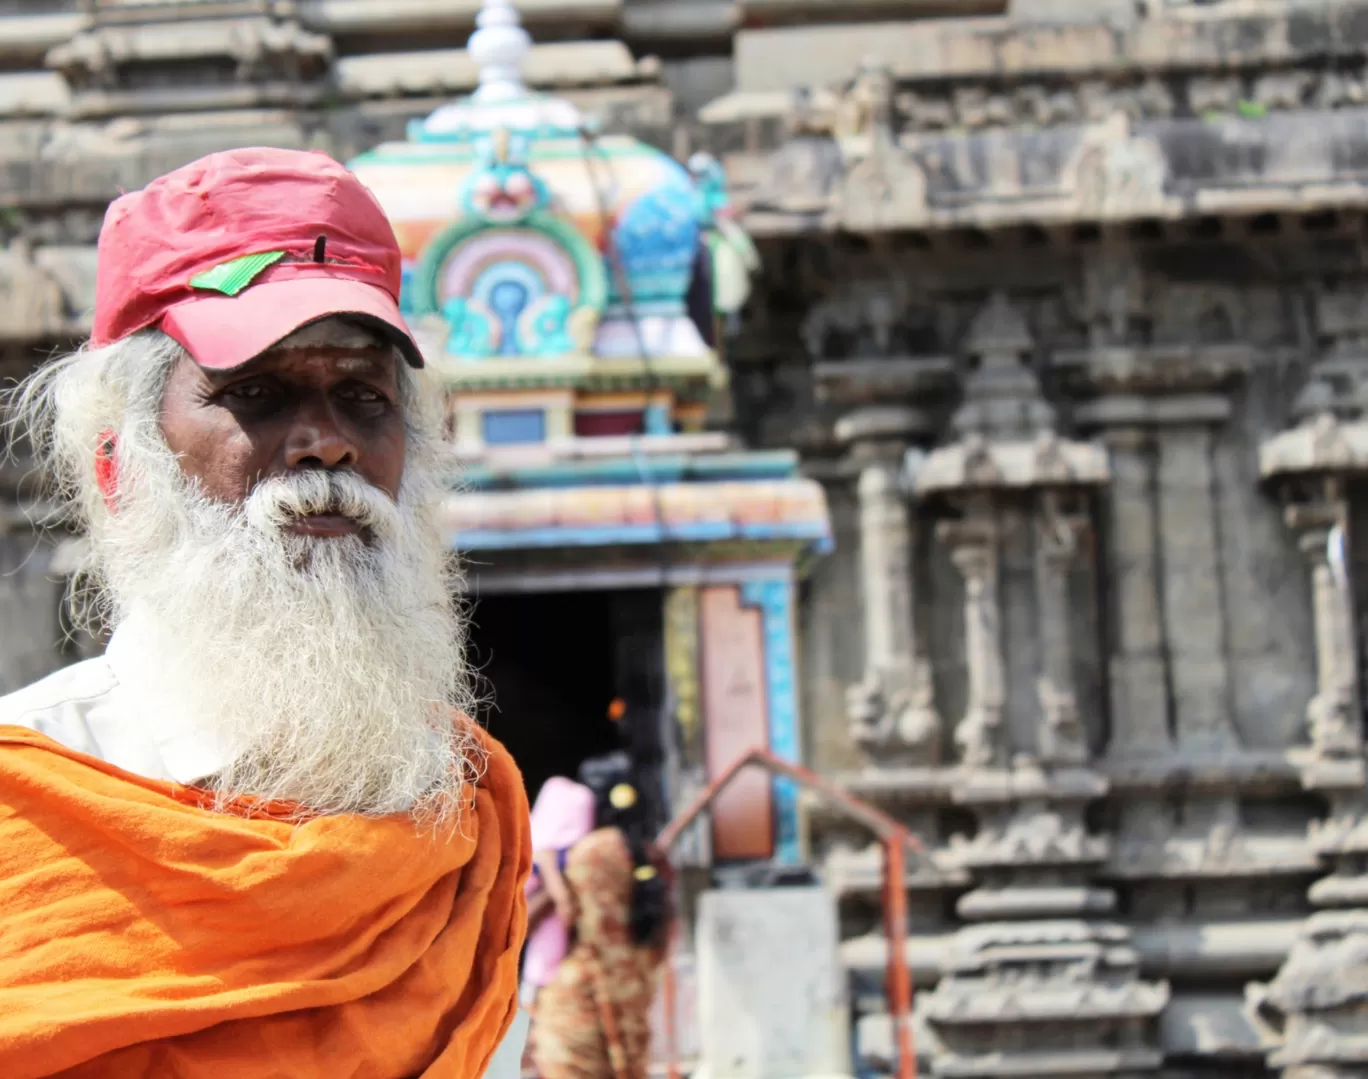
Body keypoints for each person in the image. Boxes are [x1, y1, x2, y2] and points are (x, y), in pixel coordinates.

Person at [0, 147, 531, 1078]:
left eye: (363, 397)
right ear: (119, 466)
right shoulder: (25, 804)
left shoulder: (467, 824)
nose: (326, 443)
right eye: (255, 392)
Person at [531, 751, 672, 1079]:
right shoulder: (651, 855)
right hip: (635, 995)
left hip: (584, 1005)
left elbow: (581, 927)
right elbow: (666, 932)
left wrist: (547, 868)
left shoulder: (591, 853)